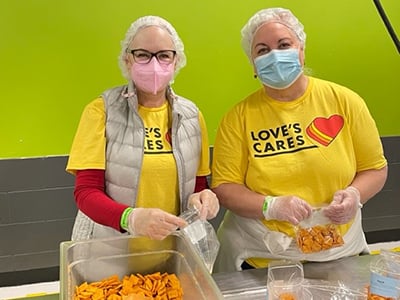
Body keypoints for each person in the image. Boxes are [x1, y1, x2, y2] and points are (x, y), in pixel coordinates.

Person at [211, 7, 388, 272]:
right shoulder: (238, 118)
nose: (275, 55)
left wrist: (355, 194)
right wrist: (270, 206)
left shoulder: (345, 101)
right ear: (254, 64)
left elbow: (375, 168)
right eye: (262, 50)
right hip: (262, 255)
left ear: (301, 50)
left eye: (284, 44)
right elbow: (225, 188)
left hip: (338, 249)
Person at [66, 15, 219, 241]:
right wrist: (130, 218)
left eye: (164, 55)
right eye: (143, 55)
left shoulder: (191, 116)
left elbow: (196, 184)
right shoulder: (102, 111)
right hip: (113, 250)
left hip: (172, 249)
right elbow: (86, 192)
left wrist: (204, 197)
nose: (154, 64)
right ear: (128, 60)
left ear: (176, 61)